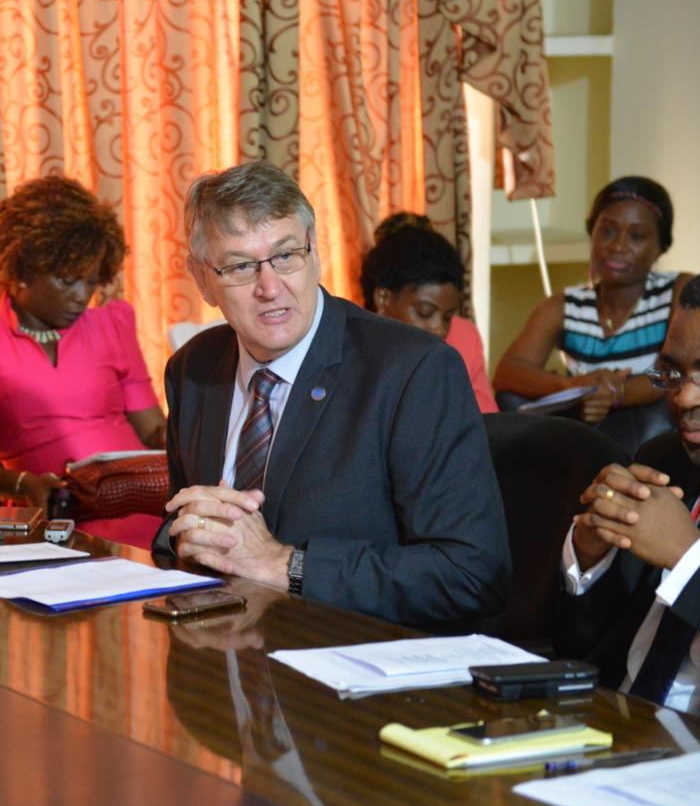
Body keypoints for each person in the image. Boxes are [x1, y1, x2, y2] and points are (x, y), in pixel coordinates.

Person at [157, 161, 509, 628]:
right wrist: (186, 539)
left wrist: (284, 564)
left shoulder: (413, 371)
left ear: (314, 250)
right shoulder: (193, 369)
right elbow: (179, 523)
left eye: (286, 255)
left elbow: (472, 574)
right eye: (241, 266)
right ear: (202, 279)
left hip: (355, 653)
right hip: (219, 646)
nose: (270, 287)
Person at [0, 175, 166, 547]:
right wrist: (24, 484)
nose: (82, 296)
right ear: (22, 269)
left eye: (91, 281)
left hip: (141, 503)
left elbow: (154, 433)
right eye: (67, 280)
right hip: (51, 514)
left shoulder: (112, 323)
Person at [562, 261, 700, 730]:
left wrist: (687, 555)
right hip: (613, 724)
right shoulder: (666, 460)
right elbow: (577, 644)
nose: (684, 398)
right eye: (672, 373)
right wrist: (590, 558)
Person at [494, 176, 691, 426]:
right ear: (592, 233)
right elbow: (508, 373)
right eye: (607, 231)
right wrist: (575, 386)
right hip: (587, 440)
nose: (618, 246)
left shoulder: (679, 291)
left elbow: (676, 372)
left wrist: (616, 392)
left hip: (658, 440)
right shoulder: (564, 306)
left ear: (662, 245)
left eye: (637, 236)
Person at [360, 217, 497, 413]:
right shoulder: (347, 351)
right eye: (424, 312)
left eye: (448, 317)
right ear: (383, 299)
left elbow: (486, 420)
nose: (439, 329)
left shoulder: (463, 337)